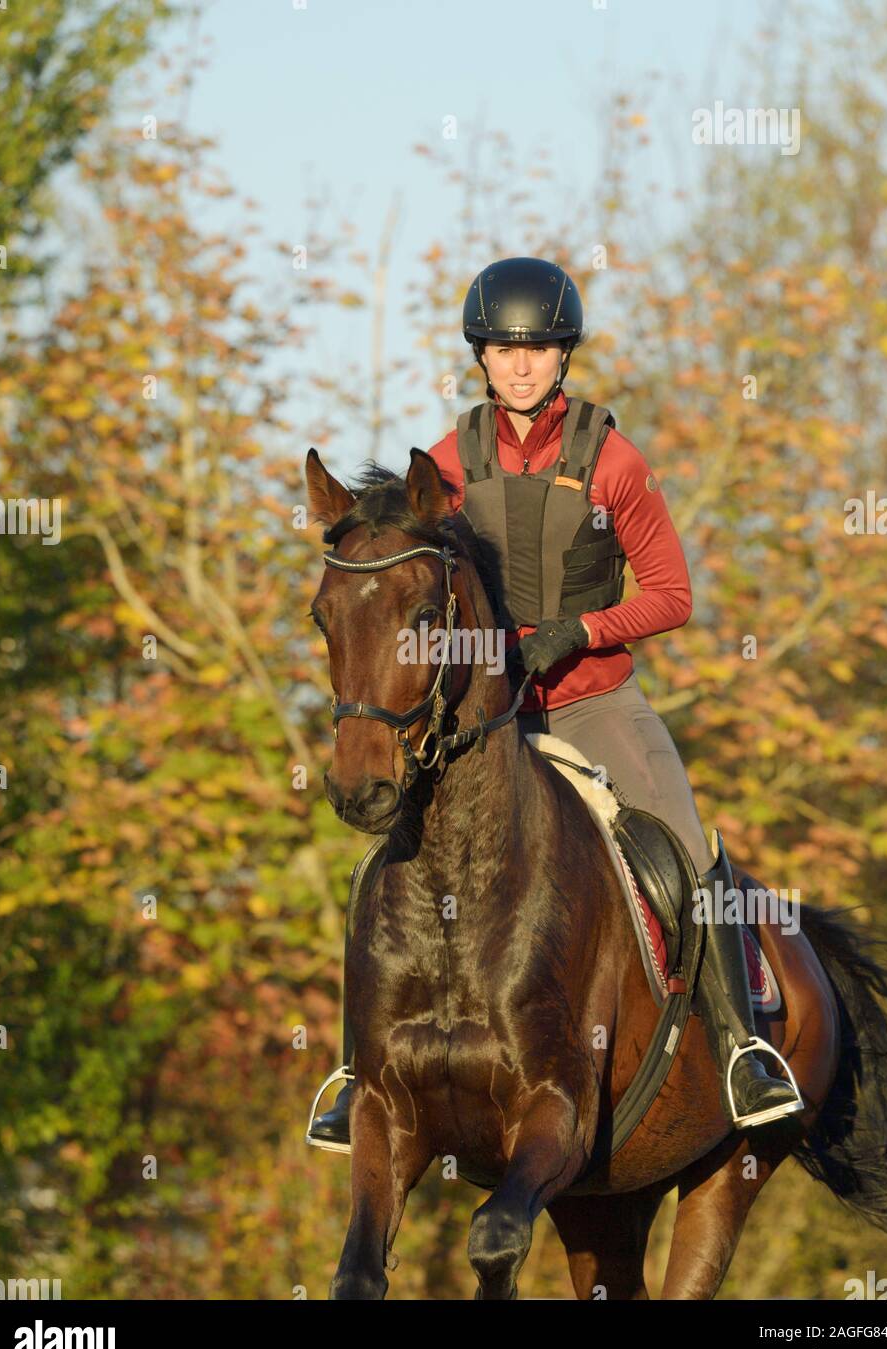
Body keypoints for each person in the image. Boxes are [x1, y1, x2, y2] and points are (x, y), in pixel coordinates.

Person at [306, 256, 803, 1153]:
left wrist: (574, 632)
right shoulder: (448, 466)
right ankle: (355, 1076)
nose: (520, 365)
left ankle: (742, 1050)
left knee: (686, 849)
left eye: (536, 348)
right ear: (481, 358)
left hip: (589, 702)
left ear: (562, 355)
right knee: (376, 874)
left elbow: (672, 594)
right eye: (502, 349)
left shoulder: (613, 461)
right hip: (485, 722)